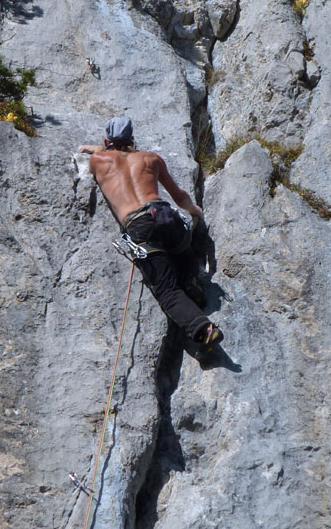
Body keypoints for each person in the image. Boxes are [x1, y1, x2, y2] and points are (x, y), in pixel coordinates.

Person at [79, 116, 223, 353]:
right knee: (180, 246)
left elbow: (108, 155)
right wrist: (195, 211)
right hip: (166, 215)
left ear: (106, 140)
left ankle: (205, 330)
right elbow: (179, 197)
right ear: (132, 138)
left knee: (167, 291)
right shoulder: (151, 158)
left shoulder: (98, 159)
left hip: (139, 225)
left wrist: (95, 148)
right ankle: (190, 278)